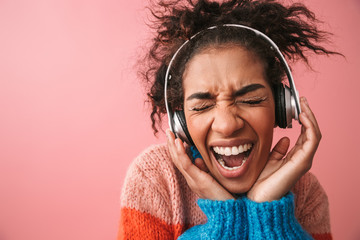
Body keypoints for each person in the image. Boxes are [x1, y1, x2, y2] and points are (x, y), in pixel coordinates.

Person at [118, 0, 340, 239]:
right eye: (202, 106)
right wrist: (225, 222)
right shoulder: (154, 178)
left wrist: (269, 212)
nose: (227, 125)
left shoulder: (305, 191)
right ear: (180, 122)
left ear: (281, 107)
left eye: (251, 100)